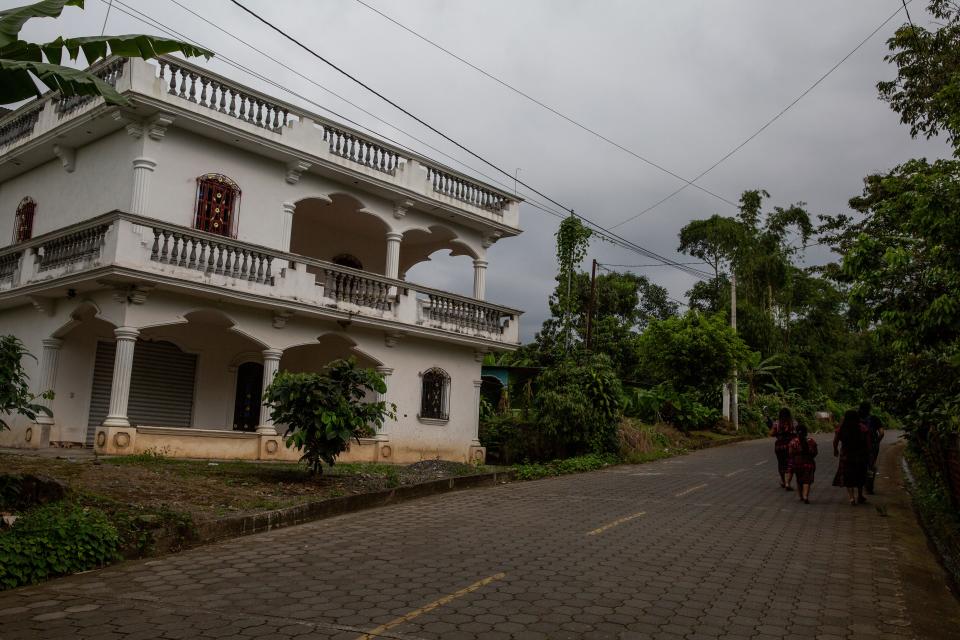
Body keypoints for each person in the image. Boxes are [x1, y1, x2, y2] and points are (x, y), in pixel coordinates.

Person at [833, 409, 873, 505]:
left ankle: (851, 498)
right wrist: (869, 454)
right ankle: (860, 495)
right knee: (860, 475)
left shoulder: (842, 428)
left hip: (846, 455)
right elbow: (868, 444)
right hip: (860, 456)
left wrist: (835, 450)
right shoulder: (862, 428)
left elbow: (835, 441)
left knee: (848, 476)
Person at [789, 423, 818, 504]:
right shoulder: (811, 441)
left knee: (799, 480)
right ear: (806, 432)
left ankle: (801, 496)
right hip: (809, 463)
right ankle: (805, 496)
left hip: (797, 464)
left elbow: (790, 453)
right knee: (807, 480)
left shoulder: (793, 442)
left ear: (796, 432)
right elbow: (815, 452)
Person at [859, 401, 885, 494]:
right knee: (870, 466)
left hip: (859, 446)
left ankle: (859, 487)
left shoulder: (856, 418)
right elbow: (882, 433)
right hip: (872, 446)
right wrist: (877, 442)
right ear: (869, 409)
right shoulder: (874, 419)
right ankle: (869, 487)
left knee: (860, 465)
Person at [770, 407, 796, 490]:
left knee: (781, 464)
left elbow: (771, 434)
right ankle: (788, 482)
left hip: (779, 447)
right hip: (790, 446)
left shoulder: (777, 424)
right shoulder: (794, 423)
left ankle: (783, 481)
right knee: (790, 464)